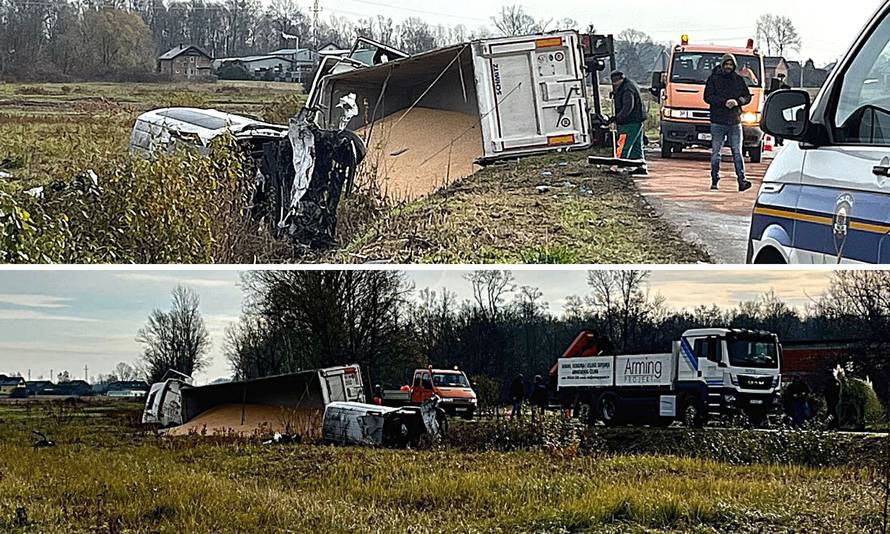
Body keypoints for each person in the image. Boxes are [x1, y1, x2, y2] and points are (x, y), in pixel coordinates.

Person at [704, 54, 754, 192]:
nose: (728, 67)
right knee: (716, 153)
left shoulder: (738, 80)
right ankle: (715, 179)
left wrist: (738, 102)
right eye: (726, 64)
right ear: (722, 65)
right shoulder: (713, 79)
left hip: (734, 121)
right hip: (718, 121)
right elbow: (708, 97)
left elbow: (747, 96)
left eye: (731, 65)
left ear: (734, 66)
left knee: (737, 152)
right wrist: (723, 102)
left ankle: (742, 180)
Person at [609, 70, 648, 176]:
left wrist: (617, 118)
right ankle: (640, 165)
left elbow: (628, 107)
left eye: (614, 82)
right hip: (637, 120)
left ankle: (618, 165)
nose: (614, 84)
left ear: (618, 80)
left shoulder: (627, 90)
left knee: (623, 143)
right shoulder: (628, 85)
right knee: (636, 145)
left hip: (630, 121)